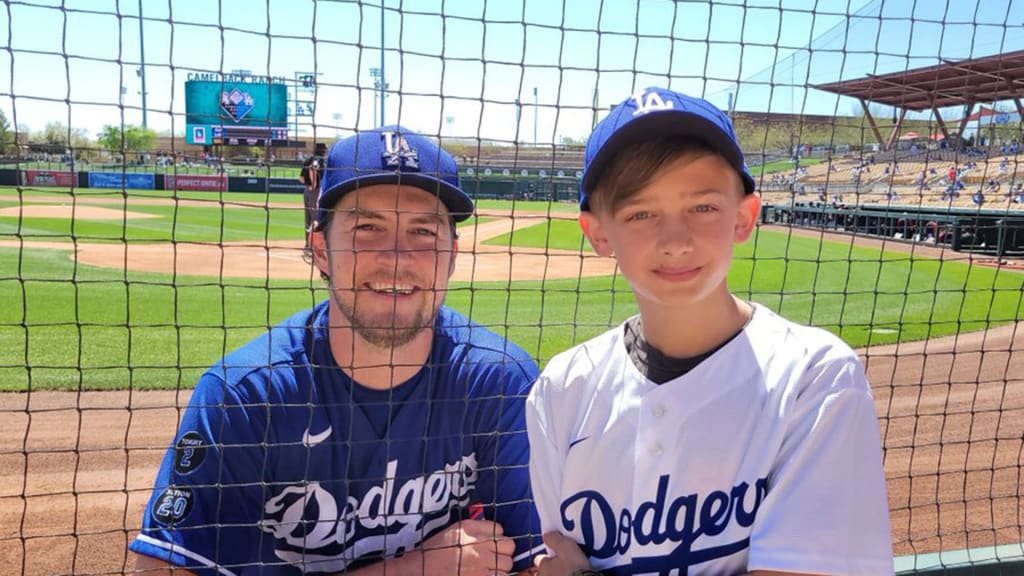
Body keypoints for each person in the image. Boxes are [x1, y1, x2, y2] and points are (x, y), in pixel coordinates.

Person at [130, 126, 544, 575]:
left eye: (424, 232)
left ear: (452, 254)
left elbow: (535, 561)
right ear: (321, 251)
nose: (398, 256)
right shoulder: (245, 396)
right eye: (367, 228)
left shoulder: (498, 381)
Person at [526, 87, 893, 575]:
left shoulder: (814, 376)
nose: (675, 242)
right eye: (641, 213)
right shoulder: (563, 387)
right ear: (598, 234)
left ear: (744, 217)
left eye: (702, 208)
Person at [299, 142, 328, 260]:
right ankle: (313, 248)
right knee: (316, 219)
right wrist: (314, 184)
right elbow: (313, 169)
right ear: (322, 150)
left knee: (309, 219)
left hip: (307, 191)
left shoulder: (308, 159)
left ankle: (308, 246)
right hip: (315, 191)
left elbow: (300, 178)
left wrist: (308, 185)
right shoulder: (319, 160)